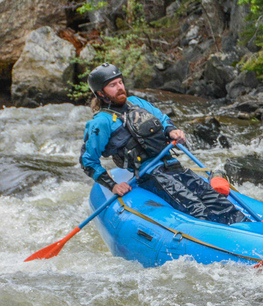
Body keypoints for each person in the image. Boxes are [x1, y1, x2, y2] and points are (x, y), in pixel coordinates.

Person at [79, 63, 246, 225]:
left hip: (173, 166)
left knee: (220, 203)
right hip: (150, 175)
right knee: (197, 209)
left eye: (120, 82)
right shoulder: (101, 122)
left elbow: (163, 120)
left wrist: (172, 131)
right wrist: (113, 185)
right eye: (113, 85)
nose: (120, 87)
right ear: (101, 93)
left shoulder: (136, 102)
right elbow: (87, 161)